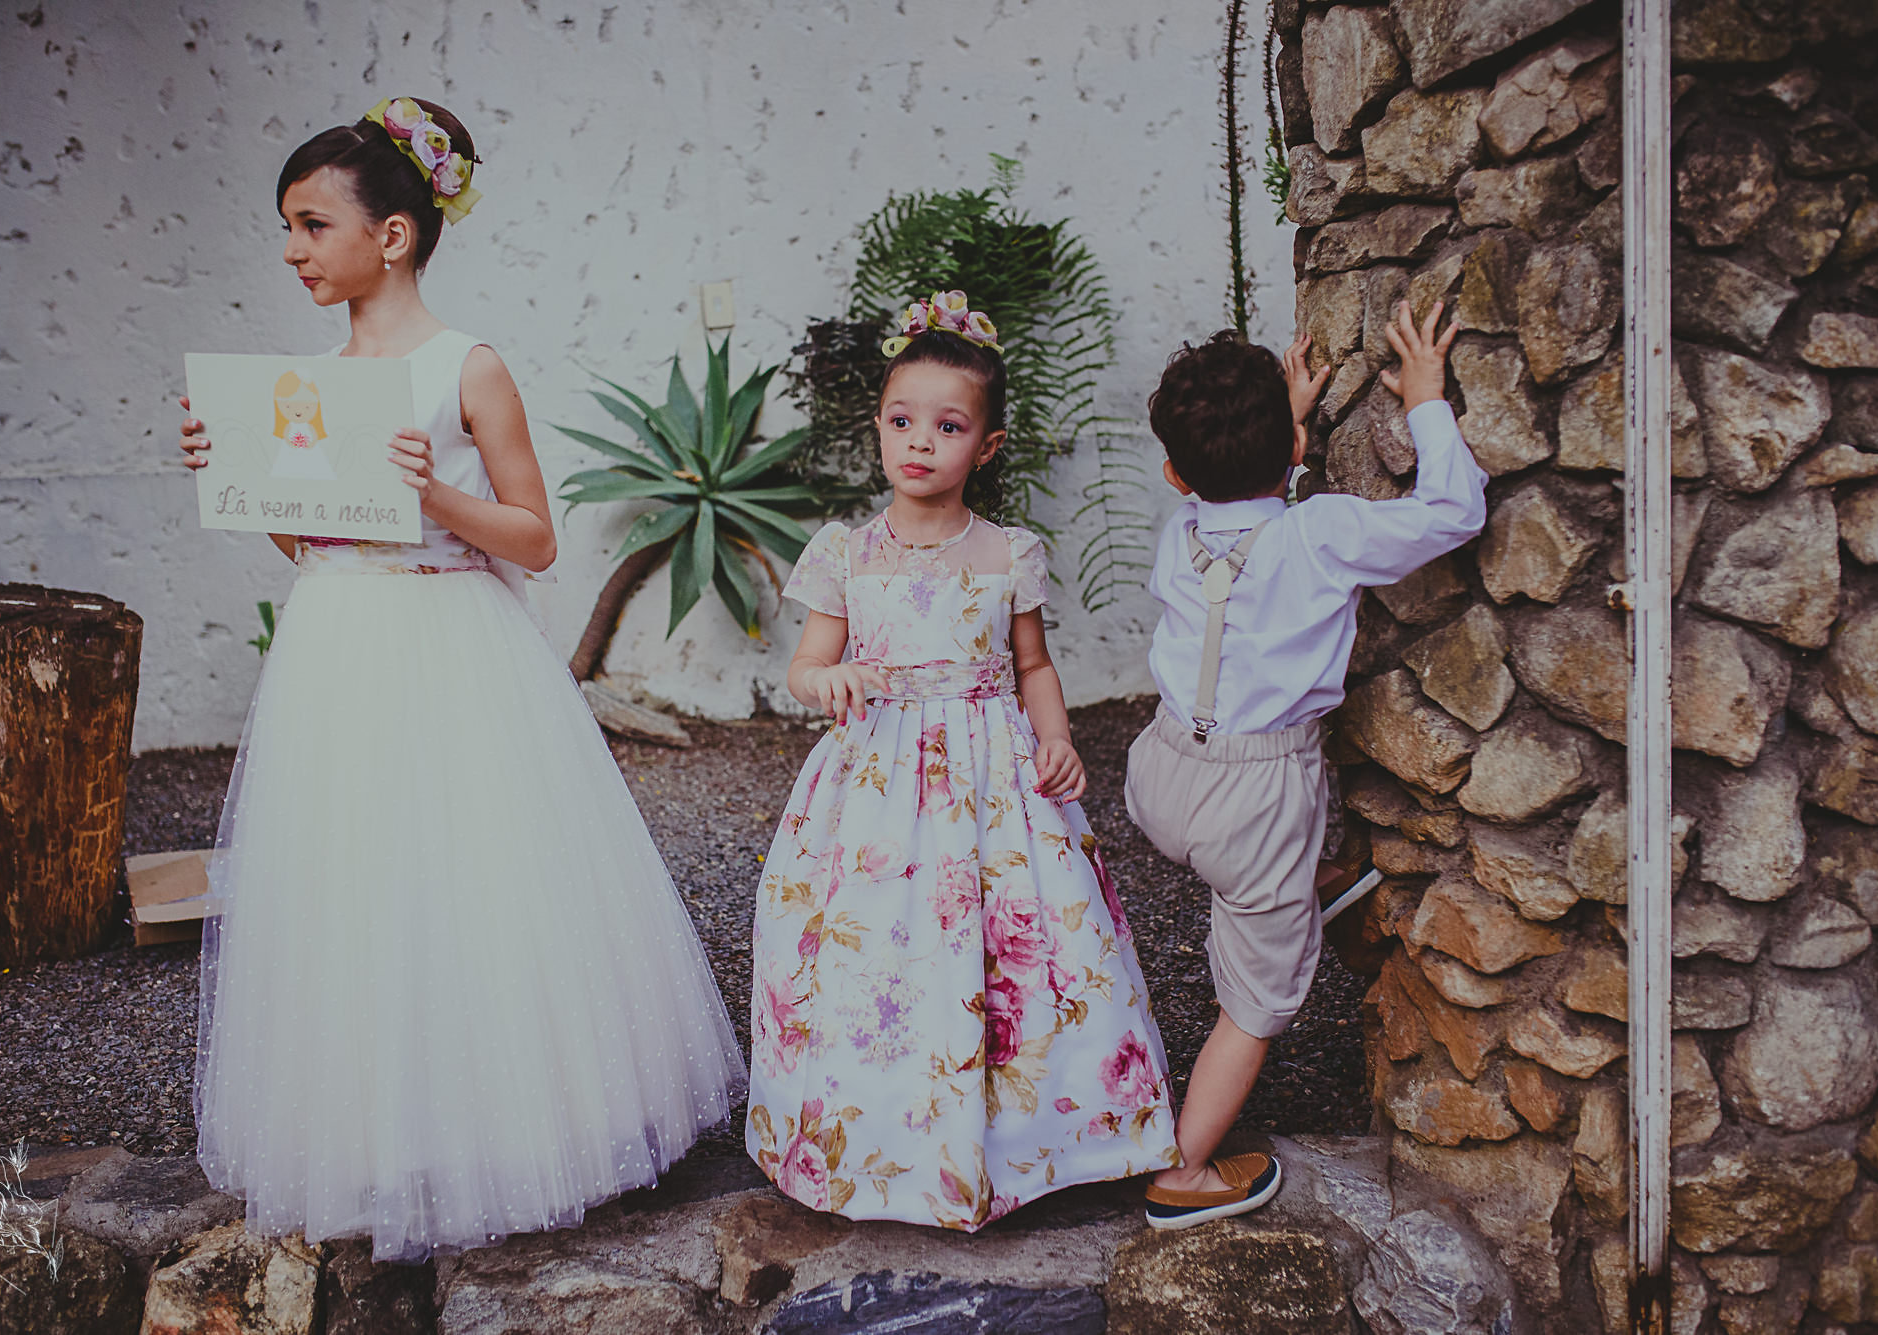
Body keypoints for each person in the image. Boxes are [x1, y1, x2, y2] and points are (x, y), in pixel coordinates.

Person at [178, 95, 743, 1262]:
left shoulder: (462, 369)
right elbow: (309, 538)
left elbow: (533, 538)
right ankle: (374, 1136)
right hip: (339, 644)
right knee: (351, 882)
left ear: (390, 235)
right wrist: (237, 469)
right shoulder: (313, 383)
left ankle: (515, 1126)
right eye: (287, 227)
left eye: (311, 225)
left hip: (451, 640)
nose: (291, 250)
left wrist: (432, 493)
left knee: (471, 872)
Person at [746, 292, 1179, 1230]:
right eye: (902, 420)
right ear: (878, 427)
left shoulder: (1008, 553)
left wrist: (1056, 738)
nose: (921, 441)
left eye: (949, 426)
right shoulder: (846, 554)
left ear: (986, 446)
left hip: (991, 778)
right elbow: (805, 666)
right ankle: (882, 1144)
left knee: (1016, 939)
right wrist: (831, 677)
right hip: (877, 785)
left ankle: (1041, 1140)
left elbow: (1033, 664)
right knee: (878, 950)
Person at [1130, 304, 1486, 1229]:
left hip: (1161, 777)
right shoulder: (1321, 531)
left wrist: (1280, 425)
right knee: (1258, 998)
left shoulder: (1181, 529)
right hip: (1254, 801)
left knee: (1260, 842)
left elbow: (1234, 500)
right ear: (1294, 450)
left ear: (1176, 475)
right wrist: (1426, 400)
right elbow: (1454, 512)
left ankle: (1303, 880)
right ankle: (1185, 1172)